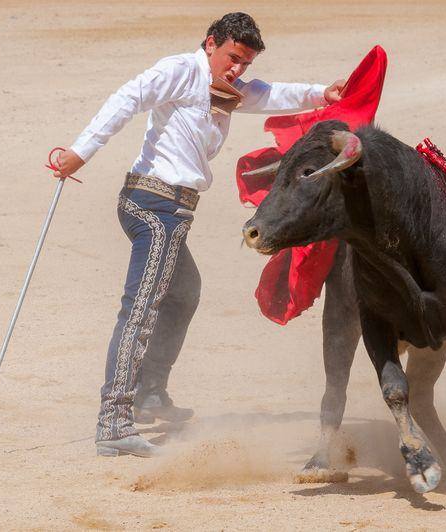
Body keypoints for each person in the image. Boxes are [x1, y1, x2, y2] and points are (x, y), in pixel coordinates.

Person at [53, 12, 345, 458]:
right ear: (211, 43)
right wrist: (80, 152)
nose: (237, 69)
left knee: (184, 291)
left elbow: (269, 94)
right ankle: (113, 422)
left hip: (171, 209)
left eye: (244, 63)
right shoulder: (180, 70)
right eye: (232, 58)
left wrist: (321, 94)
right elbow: (127, 98)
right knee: (142, 308)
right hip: (155, 206)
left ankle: (150, 392)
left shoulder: (225, 87)